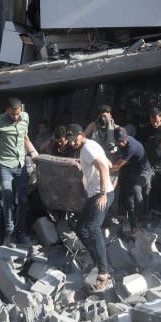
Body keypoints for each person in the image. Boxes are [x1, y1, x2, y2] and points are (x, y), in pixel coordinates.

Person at [0, 98, 38, 245]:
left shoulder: (25, 117)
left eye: (17, 114)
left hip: (20, 165)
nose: (15, 117)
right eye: (12, 115)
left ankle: (20, 231)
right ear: (7, 110)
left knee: (23, 200)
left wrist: (33, 151)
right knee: (7, 196)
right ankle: (9, 232)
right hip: (5, 166)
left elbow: (24, 136)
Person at [66, 124, 114, 291]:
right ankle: (97, 259)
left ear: (81, 134)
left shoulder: (87, 149)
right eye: (70, 141)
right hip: (95, 193)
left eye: (74, 139)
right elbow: (107, 162)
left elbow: (102, 167)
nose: (72, 143)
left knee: (93, 228)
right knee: (81, 228)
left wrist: (103, 193)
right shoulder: (89, 146)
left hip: (100, 195)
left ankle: (104, 273)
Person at [110, 127, 153, 233]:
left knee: (136, 189)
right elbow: (118, 156)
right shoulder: (121, 144)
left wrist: (103, 168)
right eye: (119, 142)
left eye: (123, 141)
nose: (121, 144)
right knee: (129, 197)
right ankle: (133, 225)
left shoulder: (131, 147)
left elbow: (117, 166)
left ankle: (141, 218)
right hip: (131, 171)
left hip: (144, 171)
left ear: (127, 138)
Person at [140, 108, 161, 215]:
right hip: (150, 162)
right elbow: (141, 143)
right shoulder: (146, 128)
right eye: (153, 121)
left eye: (157, 121)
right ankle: (149, 209)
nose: (155, 124)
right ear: (150, 119)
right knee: (149, 186)